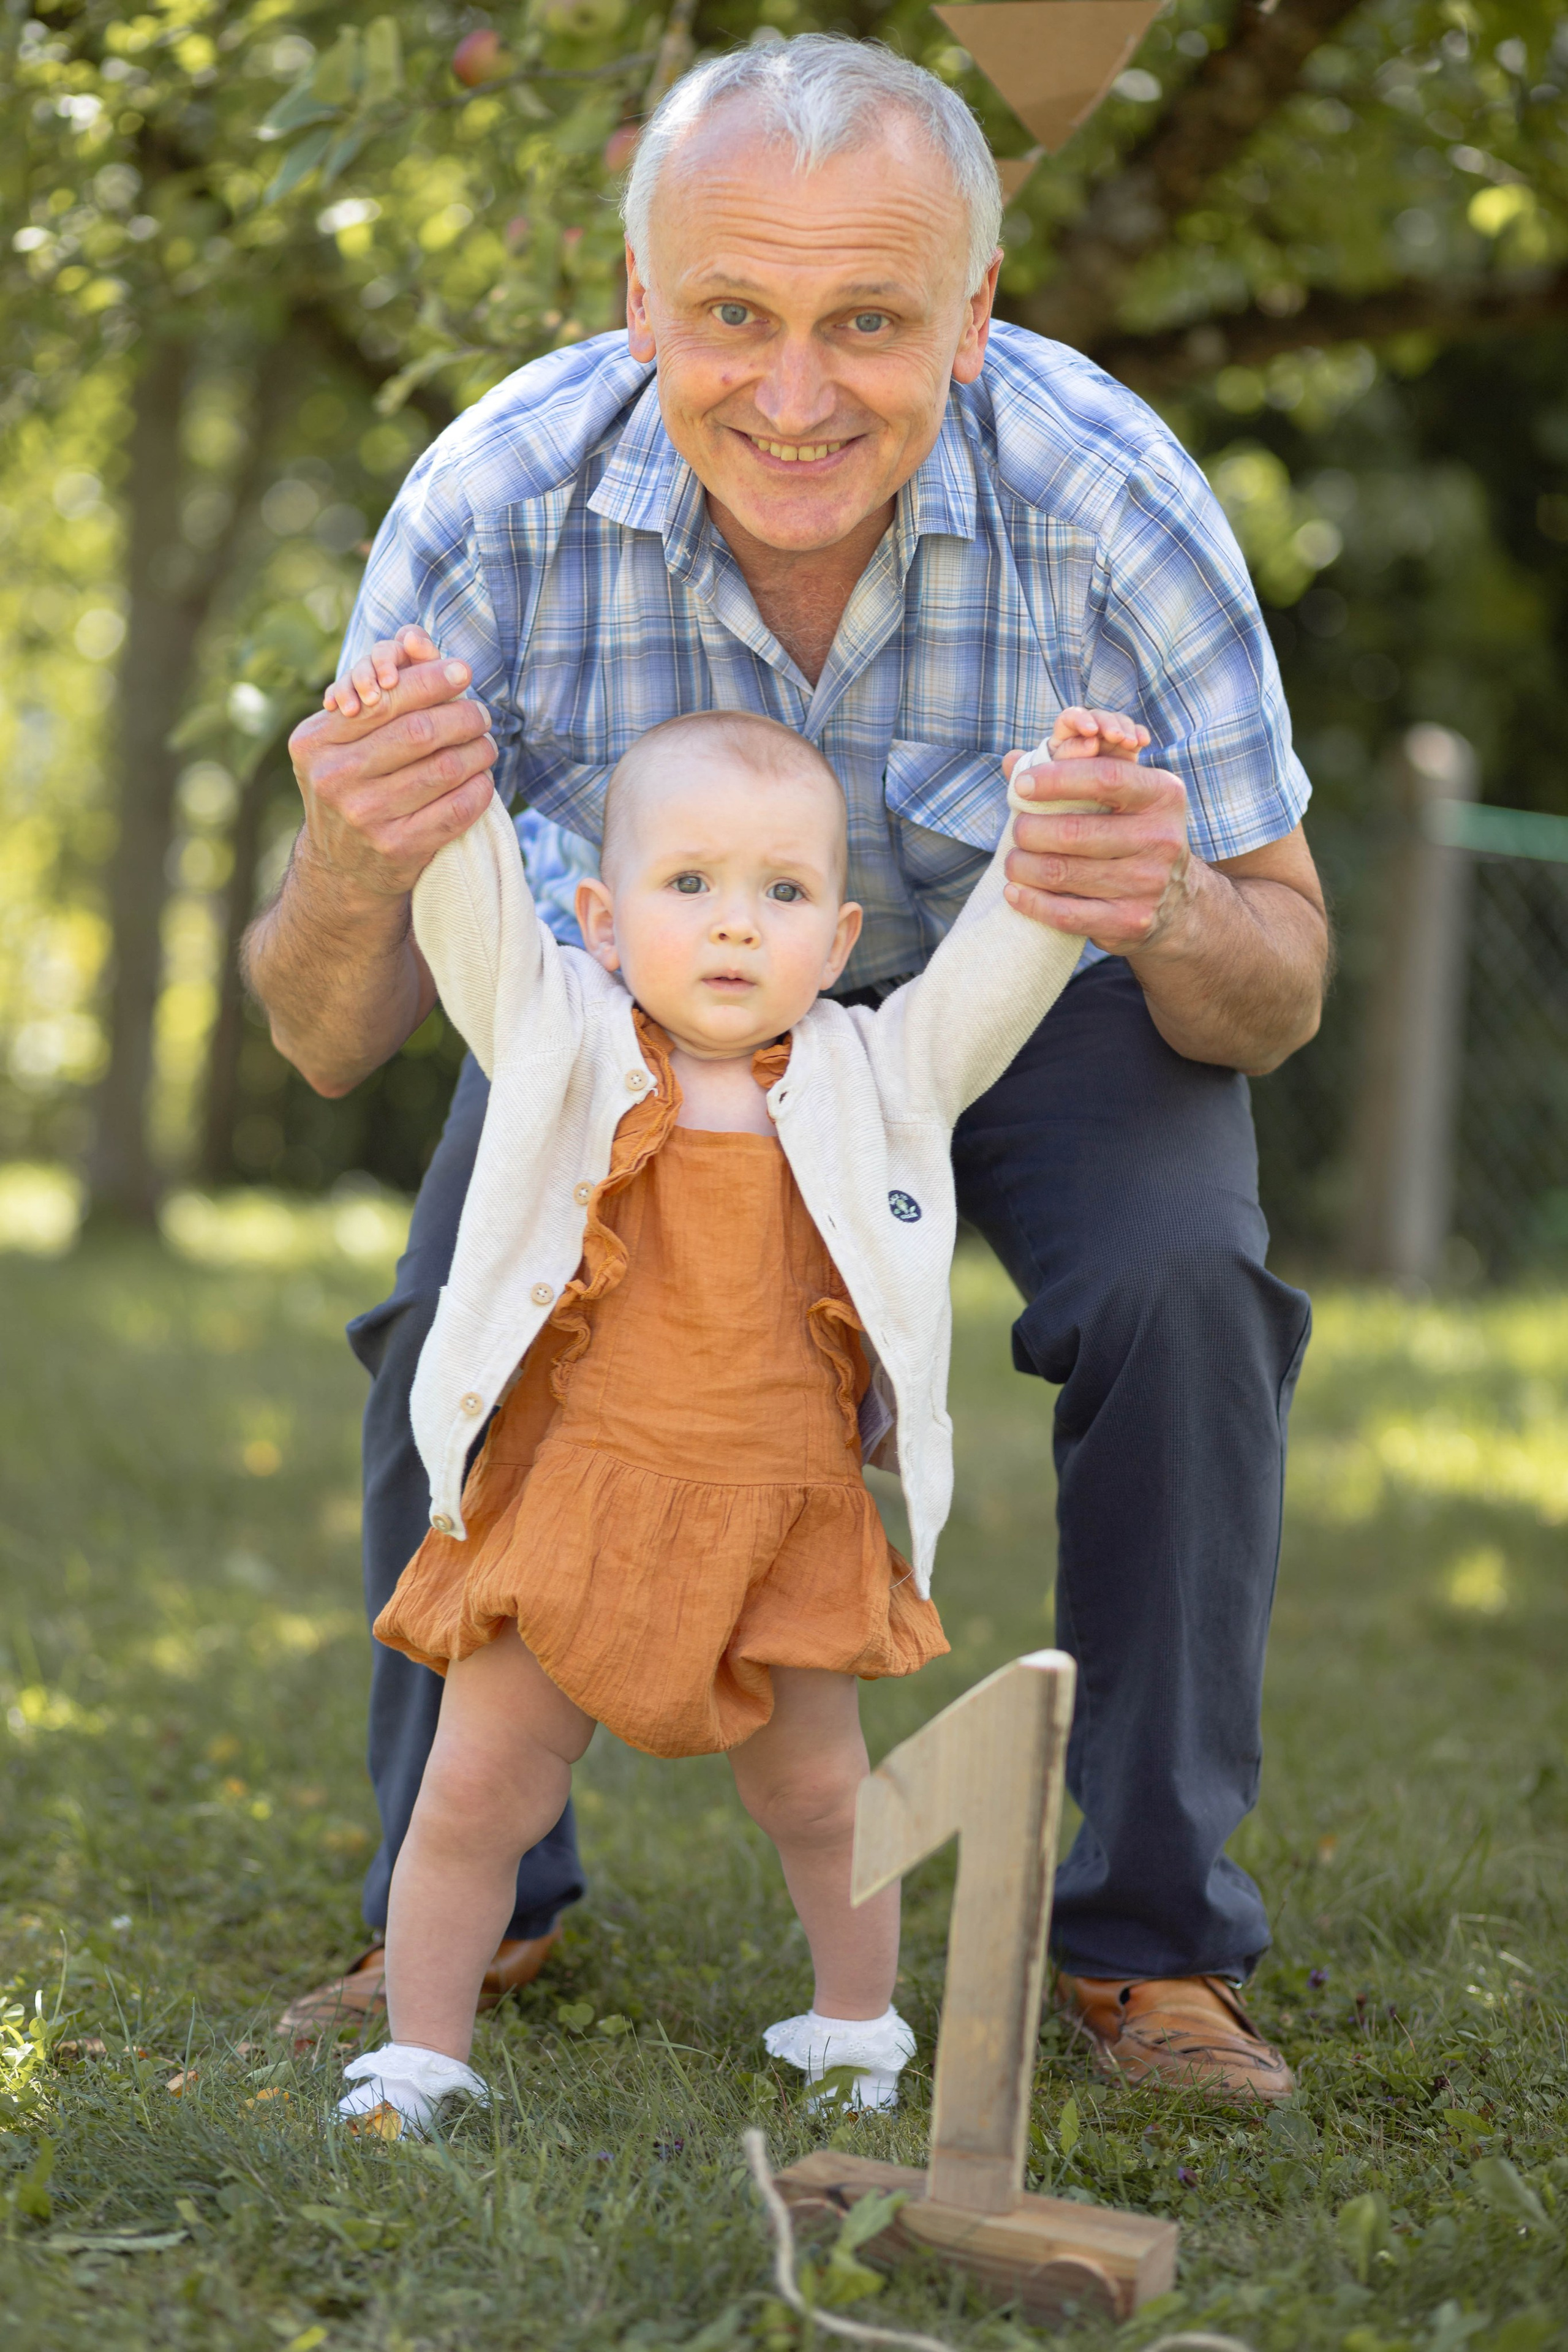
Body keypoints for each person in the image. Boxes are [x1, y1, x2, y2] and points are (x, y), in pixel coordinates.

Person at [251, 35, 1327, 2101]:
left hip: (1036, 993)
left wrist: (1168, 900)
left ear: (977, 315)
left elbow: (1274, 981)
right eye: (733, 314)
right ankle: (474, 1895)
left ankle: (1150, 1944)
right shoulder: (495, 502)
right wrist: (345, 855)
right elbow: (327, 1035)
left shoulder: (1109, 500)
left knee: (1186, 1296)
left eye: (869, 321)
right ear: (638, 299)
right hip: (637, 1019)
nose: (796, 390)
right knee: (439, 1326)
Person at [325, 699, 1125, 2135]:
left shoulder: (875, 1075)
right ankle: (422, 2057)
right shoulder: (559, 1038)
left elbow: (996, 977)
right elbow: (473, 915)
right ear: (603, 917)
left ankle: (854, 2031)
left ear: (837, 936)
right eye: (686, 884)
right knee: (472, 1791)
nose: (735, 925)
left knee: (825, 1801)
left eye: (782, 891)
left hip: (783, 1513)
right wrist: (434, 771)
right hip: (575, 1503)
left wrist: (1058, 820)